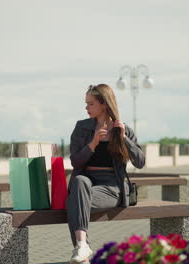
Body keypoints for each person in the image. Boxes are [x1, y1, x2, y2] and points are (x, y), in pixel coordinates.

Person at [66, 84, 145, 264]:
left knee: (74, 202)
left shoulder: (123, 129)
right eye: (86, 103)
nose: (86, 108)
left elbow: (140, 162)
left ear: (103, 104)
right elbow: (75, 162)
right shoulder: (82, 128)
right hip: (87, 183)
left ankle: (82, 252)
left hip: (112, 187)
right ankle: (82, 245)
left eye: (90, 104)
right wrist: (92, 144)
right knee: (79, 181)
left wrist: (124, 138)